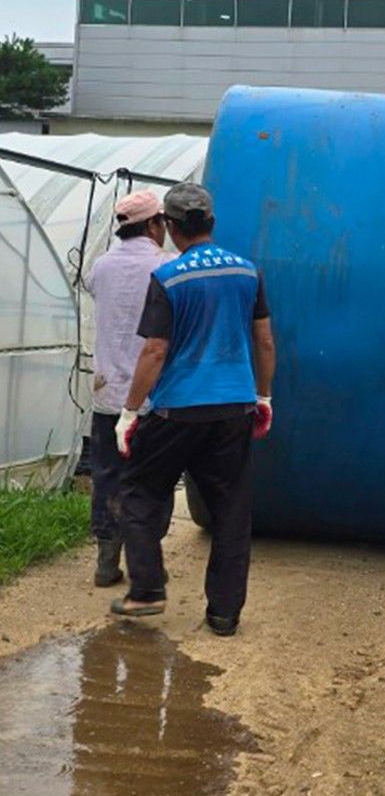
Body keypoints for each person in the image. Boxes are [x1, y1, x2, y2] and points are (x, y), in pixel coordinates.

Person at [110, 183, 276, 636]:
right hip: (233, 410)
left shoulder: (169, 278)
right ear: (212, 224)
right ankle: (224, 615)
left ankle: (146, 591)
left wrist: (129, 412)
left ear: (170, 227)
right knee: (231, 512)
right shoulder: (247, 272)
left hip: (176, 412)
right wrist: (262, 397)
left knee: (141, 494)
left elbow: (155, 351)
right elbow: (263, 339)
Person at [83, 191, 170, 587]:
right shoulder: (166, 266)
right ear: (154, 225)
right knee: (152, 479)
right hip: (152, 399)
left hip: (107, 396)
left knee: (108, 475)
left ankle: (106, 560)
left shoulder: (101, 266)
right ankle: (147, 564)